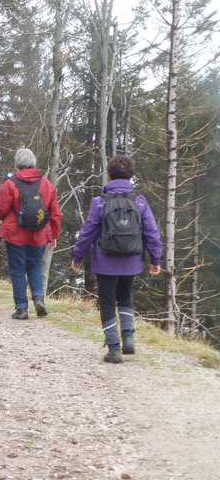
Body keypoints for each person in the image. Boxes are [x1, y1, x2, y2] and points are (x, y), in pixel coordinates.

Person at [71, 155, 162, 364]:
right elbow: (152, 233)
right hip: (132, 260)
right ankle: (128, 337)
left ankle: (114, 349)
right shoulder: (140, 201)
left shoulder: (100, 202)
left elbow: (87, 233)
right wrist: (156, 259)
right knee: (125, 295)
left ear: (109, 176)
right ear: (131, 177)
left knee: (107, 301)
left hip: (105, 262)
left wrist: (77, 256)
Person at [0, 148, 62, 320]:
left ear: (17, 164)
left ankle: (22, 308)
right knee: (35, 265)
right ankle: (38, 299)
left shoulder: (10, 184)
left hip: (15, 233)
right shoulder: (46, 184)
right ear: (34, 163)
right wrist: (53, 235)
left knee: (17, 269)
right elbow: (55, 212)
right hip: (39, 233)